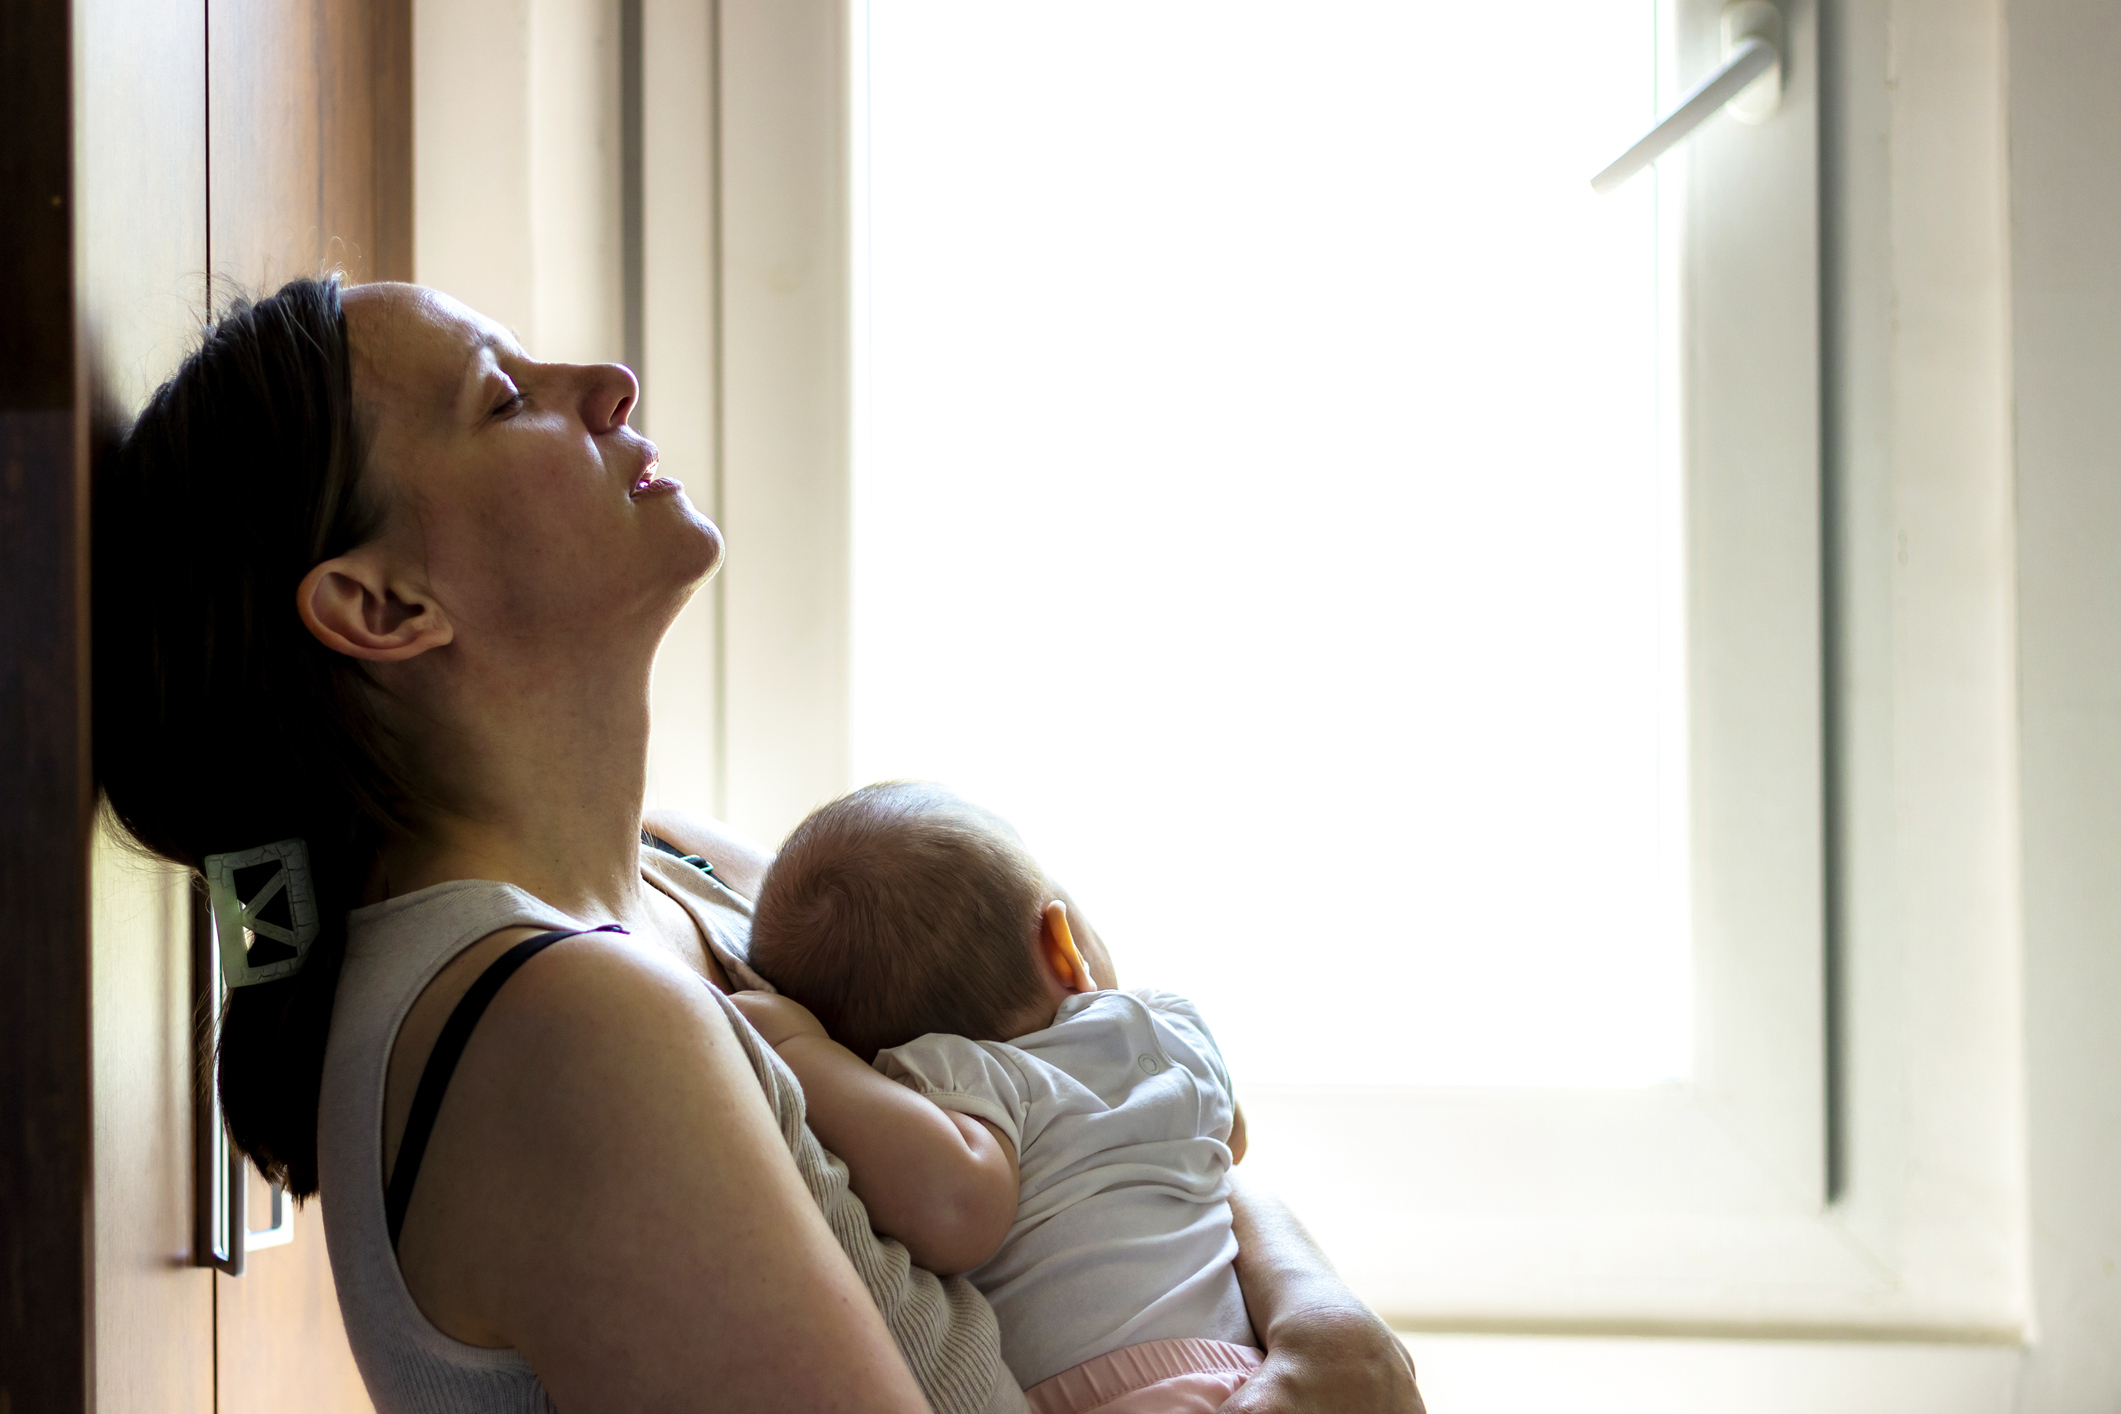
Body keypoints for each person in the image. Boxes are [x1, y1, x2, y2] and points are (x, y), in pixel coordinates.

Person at [92, 274, 1427, 1414]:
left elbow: (1122, 1116)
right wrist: (1329, 1346)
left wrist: (1329, 1320)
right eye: (504, 398)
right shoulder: (563, 1022)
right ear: (384, 605)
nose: (605, 381)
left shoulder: (692, 873)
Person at [735, 782, 1262, 1414]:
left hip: (1121, 1394)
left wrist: (796, 1048)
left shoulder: (962, 1082)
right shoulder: (1168, 1025)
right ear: (1062, 946)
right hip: (1245, 1367)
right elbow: (1231, 1140)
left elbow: (955, 1213)